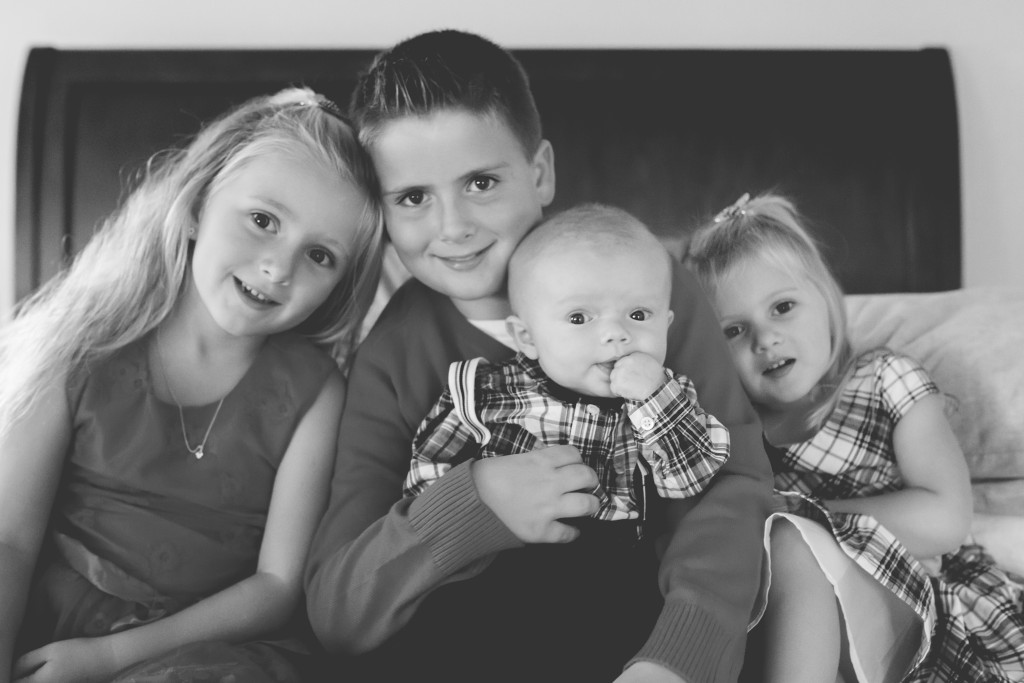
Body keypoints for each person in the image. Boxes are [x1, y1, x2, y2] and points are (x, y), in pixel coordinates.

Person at [304, 29, 774, 683]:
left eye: (481, 182)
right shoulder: (395, 352)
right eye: (413, 197)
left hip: (634, 636)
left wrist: (678, 657)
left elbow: (731, 488)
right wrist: (475, 501)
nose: (452, 226)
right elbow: (338, 607)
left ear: (541, 172)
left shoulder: (644, 288)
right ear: (381, 211)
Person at [0, 87, 384, 683]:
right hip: (56, 628)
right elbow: (9, 539)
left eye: (320, 256)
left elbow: (277, 584)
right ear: (199, 202)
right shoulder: (79, 342)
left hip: (209, 644)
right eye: (262, 220)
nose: (279, 267)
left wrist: (111, 658)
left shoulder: (315, 393)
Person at [685, 192, 1024, 683]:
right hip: (818, 627)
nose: (765, 339)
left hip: (926, 597)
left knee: (787, 541)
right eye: (734, 330)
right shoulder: (735, 432)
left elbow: (948, 518)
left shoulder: (886, 379)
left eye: (783, 307)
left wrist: (810, 518)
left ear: (826, 302)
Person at [404, 203, 731, 528]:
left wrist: (654, 395)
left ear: (667, 325)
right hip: (503, 557)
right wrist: (480, 509)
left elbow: (689, 479)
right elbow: (424, 481)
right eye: (579, 317)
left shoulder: (668, 399)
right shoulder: (484, 394)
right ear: (527, 338)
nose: (616, 334)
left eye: (638, 315)